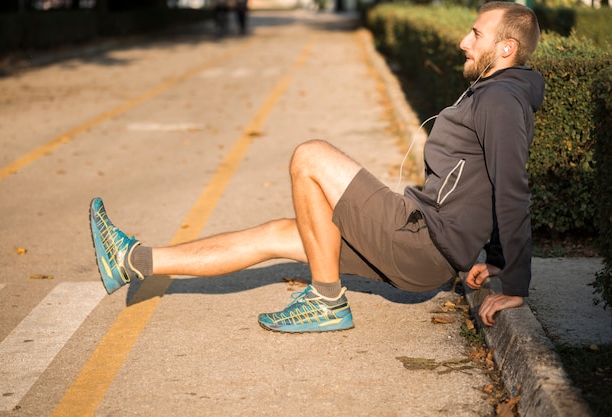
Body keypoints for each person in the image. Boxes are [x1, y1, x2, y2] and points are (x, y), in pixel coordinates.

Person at [90, 1, 544, 333]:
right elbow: (490, 184)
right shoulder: (494, 92)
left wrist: (515, 280)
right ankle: (133, 260)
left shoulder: (501, 100)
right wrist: (496, 260)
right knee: (278, 234)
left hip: (422, 243)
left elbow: (512, 189)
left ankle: (327, 300)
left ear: (506, 47)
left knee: (309, 155)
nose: (464, 41)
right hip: (423, 244)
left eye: (476, 35)